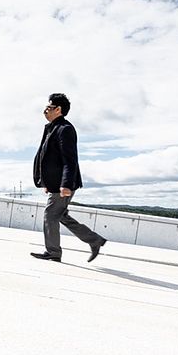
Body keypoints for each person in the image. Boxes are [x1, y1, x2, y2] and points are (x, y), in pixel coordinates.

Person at [31, 93, 107, 263]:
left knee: (50, 215)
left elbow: (70, 160)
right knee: (61, 215)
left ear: (58, 109)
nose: (45, 111)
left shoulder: (65, 129)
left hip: (64, 184)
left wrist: (65, 184)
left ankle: (53, 252)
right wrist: (46, 182)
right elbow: (48, 158)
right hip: (56, 184)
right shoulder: (52, 128)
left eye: (49, 107)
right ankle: (95, 240)